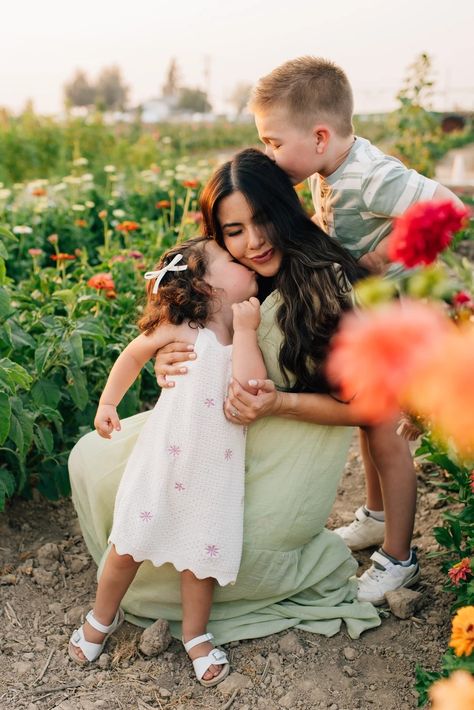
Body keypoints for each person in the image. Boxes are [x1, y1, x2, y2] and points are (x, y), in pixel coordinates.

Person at [69, 150, 381, 667]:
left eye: (261, 222)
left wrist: (276, 397)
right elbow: (161, 346)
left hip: (281, 444)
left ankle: (189, 629)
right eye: (233, 235)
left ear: (286, 210)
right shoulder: (234, 294)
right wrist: (163, 361)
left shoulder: (323, 284)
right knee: (94, 466)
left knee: (212, 545)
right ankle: (109, 611)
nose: (252, 244)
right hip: (208, 435)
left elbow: (365, 406)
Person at [240, 56, 463, 604]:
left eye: (272, 141)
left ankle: (399, 559)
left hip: (405, 320)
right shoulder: (331, 171)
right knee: (369, 422)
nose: (269, 154)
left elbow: (449, 206)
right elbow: (339, 224)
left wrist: (385, 256)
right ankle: (374, 516)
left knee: (385, 435)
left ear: (319, 136)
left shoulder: (370, 174)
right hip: (377, 319)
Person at [68, 236, 267, 687]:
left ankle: (195, 634)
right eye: (233, 261)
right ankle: (102, 617)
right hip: (162, 462)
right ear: (205, 285)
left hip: (213, 471)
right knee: (127, 546)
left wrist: (249, 331)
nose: (247, 262)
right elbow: (133, 354)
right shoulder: (179, 328)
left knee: (200, 559)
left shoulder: (241, 334)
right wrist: (107, 403)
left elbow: (252, 384)